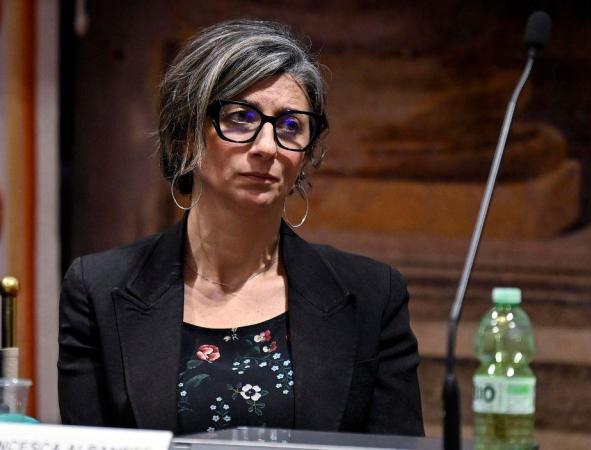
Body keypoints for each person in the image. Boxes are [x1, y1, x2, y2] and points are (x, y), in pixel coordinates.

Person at [58, 19, 423, 436]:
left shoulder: (373, 295)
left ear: (305, 157)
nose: (267, 146)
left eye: (291, 126)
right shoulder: (98, 289)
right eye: (240, 118)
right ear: (185, 137)